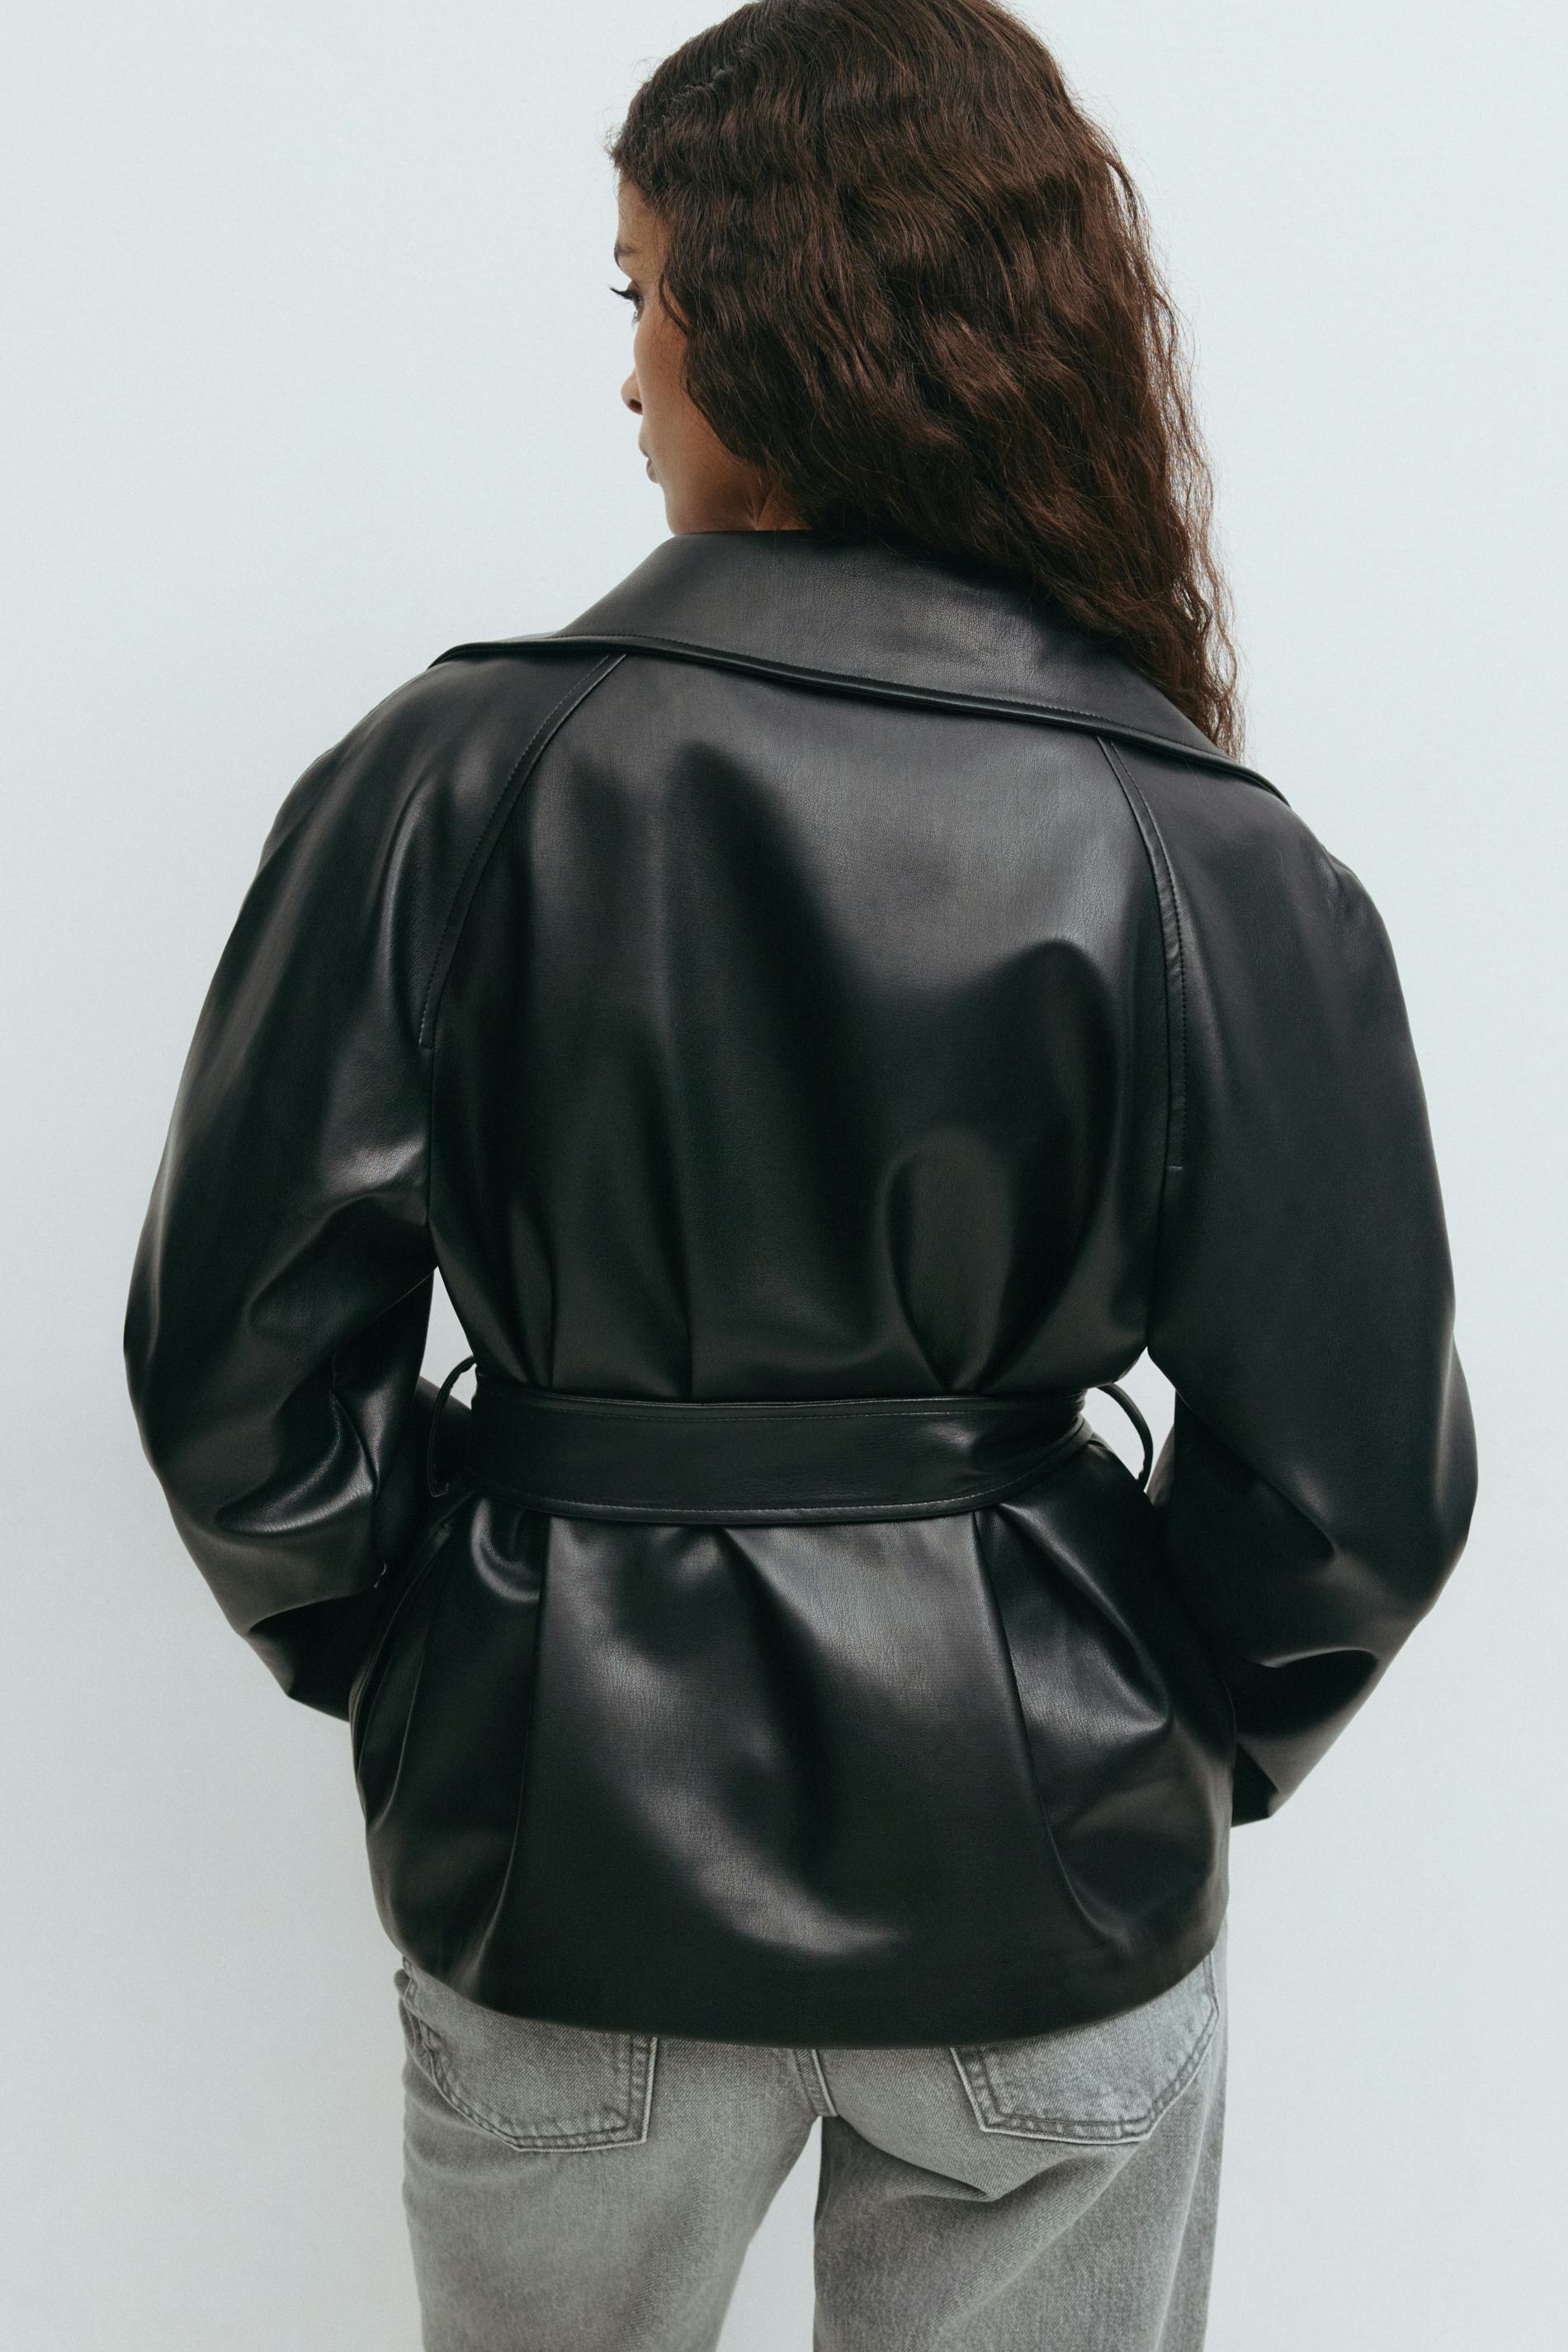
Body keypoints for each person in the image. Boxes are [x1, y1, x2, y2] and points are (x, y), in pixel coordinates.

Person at [122, 4, 1478, 2347]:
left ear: (783, 315)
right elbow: (1353, 1483)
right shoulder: (1203, 847)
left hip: (558, 1855)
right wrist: (1149, 1727)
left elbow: (240, 1380)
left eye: (644, 289)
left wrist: (451, 1664)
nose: (627, 368)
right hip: (1048, 1886)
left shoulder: (442, 781)